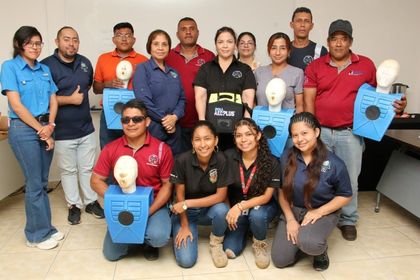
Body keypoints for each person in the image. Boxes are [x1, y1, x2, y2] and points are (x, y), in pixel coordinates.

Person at [303, 19, 407, 241]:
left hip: (350, 132)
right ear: (328, 41)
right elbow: (310, 99)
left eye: (344, 39)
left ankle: (348, 219)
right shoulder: (316, 66)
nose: (339, 44)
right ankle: (320, 215)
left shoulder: (366, 65)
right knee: (318, 176)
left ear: (350, 41)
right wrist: (312, 130)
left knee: (349, 178)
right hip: (321, 132)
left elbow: (379, 96)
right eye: (334, 39)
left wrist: (396, 105)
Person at [0, 26, 63, 250]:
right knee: (34, 183)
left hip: (46, 126)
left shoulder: (44, 69)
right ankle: (36, 235)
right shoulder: (10, 67)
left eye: (38, 43)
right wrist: (41, 129)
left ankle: (47, 228)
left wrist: (51, 125)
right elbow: (16, 104)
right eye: (30, 43)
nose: (35, 47)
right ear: (19, 45)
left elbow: (53, 99)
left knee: (42, 182)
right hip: (24, 129)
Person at [91, 99, 173, 261]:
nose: (131, 123)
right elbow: (95, 180)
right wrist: (117, 201)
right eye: (125, 120)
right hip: (124, 209)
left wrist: (146, 212)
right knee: (111, 254)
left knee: (158, 237)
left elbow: (167, 186)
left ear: (147, 121)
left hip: (153, 206)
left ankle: (148, 241)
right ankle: (134, 238)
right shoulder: (111, 148)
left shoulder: (162, 149)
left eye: (137, 119)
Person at [271, 112, 352, 271]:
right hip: (294, 210)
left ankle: (319, 250)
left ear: (316, 132)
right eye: (295, 135)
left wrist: (319, 212)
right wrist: (290, 219)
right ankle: (303, 239)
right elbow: (281, 191)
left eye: (304, 133)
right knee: (280, 260)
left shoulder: (335, 163)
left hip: (322, 212)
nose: (299, 139)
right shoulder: (286, 157)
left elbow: (345, 195)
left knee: (310, 243)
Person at [41, 26, 104, 225]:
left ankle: (91, 201)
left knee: (87, 169)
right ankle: (73, 205)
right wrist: (69, 100)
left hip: (85, 128)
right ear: (57, 42)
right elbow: (42, 100)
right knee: (68, 171)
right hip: (60, 131)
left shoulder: (85, 62)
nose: (71, 43)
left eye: (75, 39)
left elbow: (85, 88)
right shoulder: (45, 66)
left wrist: (75, 99)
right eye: (66, 39)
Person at [170, 120, 231, 268]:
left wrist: (187, 203)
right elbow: (180, 197)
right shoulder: (181, 160)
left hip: (208, 211)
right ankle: (178, 227)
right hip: (185, 213)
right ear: (192, 142)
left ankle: (216, 242)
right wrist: (184, 226)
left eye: (207, 138)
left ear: (216, 140)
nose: (203, 144)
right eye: (197, 139)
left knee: (222, 209)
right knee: (186, 261)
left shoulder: (222, 160)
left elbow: (220, 197)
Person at [223, 118, 280, 269]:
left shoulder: (271, 161)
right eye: (239, 135)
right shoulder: (228, 157)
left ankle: (259, 243)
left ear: (258, 136)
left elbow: (267, 196)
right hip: (238, 208)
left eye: (248, 134)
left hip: (262, 206)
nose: (244, 139)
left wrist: (239, 207)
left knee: (257, 216)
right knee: (230, 250)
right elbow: (223, 190)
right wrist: (230, 209)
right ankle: (247, 227)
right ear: (234, 139)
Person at [194, 26, 256, 150]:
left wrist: (244, 127)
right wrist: (203, 123)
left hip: (237, 132)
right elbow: (200, 96)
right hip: (211, 130)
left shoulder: (245, 70)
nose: (225, 46)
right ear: (215, 45)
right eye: (220, 42)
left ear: (235, 45)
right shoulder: (205, 69)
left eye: (229, 42)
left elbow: (248, 97)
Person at [92, 22, 148, 149]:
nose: (124, 38)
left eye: (128, 35)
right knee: (108, 149)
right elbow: (95, 88)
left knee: (136, 149)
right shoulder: (103, 58)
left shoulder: (144, 60)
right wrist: (108, 84)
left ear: (134, 39)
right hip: (109, 110)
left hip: (136, 112)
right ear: (113, 39)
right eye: (120, 35)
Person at [165, 17, 215, 153]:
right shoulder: (167, 56)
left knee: (200, 163)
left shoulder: (209, 56)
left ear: (198, 33)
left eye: (191, 29)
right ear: (177, 34)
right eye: (183, 29)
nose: (188, 32)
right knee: (177, 163)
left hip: (201, 121)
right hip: (173, 123)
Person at [133, 29, 185, 156]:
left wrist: (174, 117)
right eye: (156, 44)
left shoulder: (174, 73)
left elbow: (182, 99)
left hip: (175, 129)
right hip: (153, 128)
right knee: (152, 167)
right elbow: (143, 100)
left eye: (164, 44)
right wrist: (166, 121)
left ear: (169, 47)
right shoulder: (142, 68)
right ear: (149, 47)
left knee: (174, 169)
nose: (160, 48)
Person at [254, 32, 304, 112]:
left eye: (282, 48)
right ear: (268, 51)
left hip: (287, 122)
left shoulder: (297, 73)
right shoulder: (259, 72)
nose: (278, 53)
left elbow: (299, 106)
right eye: (274, 48)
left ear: (288, 52)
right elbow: (253, 102)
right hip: (261, 121)